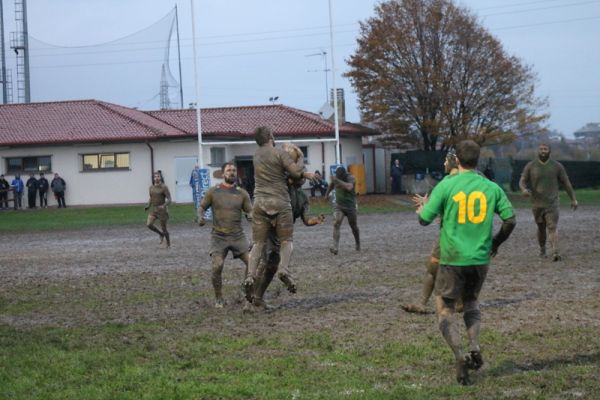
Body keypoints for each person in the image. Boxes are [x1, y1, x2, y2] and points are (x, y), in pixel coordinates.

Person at [417, 140, 516, 386]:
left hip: (452, 258)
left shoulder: (447, 184)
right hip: (480, 259)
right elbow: (510, 220)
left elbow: (425, 220)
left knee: (445, 307)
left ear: (457, 160)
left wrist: (421, 209)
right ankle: (475, 345)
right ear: (478, 160)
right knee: (471, 302)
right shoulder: (490, 187)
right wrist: (496, 243)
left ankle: (460, 356)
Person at [243, 127, 314, 298]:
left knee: (258, 243)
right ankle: (284, 270)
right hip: (280, 202)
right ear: (270, 136)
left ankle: (250, 275)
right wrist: (301, 158)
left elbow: (281, 173)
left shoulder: (256, 155)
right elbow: (295, 173)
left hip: (259, 202)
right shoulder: (279, 153)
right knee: (286, 240)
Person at [246, 161, 326, 312]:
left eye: (304, 175)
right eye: (300, 174)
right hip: (268, 228)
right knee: (263, 263)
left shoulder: (302, 197)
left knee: (272, 266)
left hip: (281, 234)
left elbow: (306, 219)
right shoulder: (281, 187)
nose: (303, 179)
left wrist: (315, 220)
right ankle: (248, 302)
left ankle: (257, 298)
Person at [402, 149, 459, 314]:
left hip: (449, 236)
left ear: (452, 161)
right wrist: (430, 202)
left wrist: (425, 208)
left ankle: (422, 303)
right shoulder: (473, 180)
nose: (443, 164)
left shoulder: (446, 183)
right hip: (470, 235)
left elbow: (427, 217)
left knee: (433, 268)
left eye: (445, 161)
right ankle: (462, 302)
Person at [198, 162, 253, 308]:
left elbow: (250, 211)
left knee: (252, 263)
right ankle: (219, 298)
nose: (232, 173)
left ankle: (244, 289)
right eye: (229, 170)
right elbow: (202, 207)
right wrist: (200, 217)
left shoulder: (242, 193)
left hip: (238, 236)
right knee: (217, 266)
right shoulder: (213, 191)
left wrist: (250, 215)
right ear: (223, 174)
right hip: (219, 236)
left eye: (234, 170)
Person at [519, 143, 577, 262]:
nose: (543, 151)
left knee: (552, 227)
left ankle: (555, 251)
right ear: (538, 151)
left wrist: (573, 199)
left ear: (550, 151)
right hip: (536, 203)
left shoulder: (557, 166)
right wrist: (524, 189)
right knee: (541, 228)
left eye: (545, 149)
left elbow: (566, 183)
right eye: (541, 149)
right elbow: (522, 180)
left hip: (552, 203)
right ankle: (542, 249)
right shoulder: (531, 166)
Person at [326, 166, 360, 255]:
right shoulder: (336, 178)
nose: (338, 178)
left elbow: (349, 187)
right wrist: (326, 194)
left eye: (339, 177)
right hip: (339, 206)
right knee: (336, 223)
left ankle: (357, 243)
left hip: (350, 206)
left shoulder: (351, 178)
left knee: (354, 227)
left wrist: (337, 181)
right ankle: (335, 247)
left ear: (344, 175)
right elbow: (331, 185)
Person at [144, 171, 172, 248]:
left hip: (162, 211)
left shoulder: (164, 187)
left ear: (160, 178)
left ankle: (168, 243)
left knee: (164, 229)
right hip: (154, 210)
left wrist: (164, 205)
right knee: (149, 224)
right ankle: (160, 234)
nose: (156, 178)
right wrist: (148, 206)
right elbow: (151, 197)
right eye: (155, 177)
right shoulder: (151, 187)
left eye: (158, 176)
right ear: (153, 178)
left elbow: (169, 199)